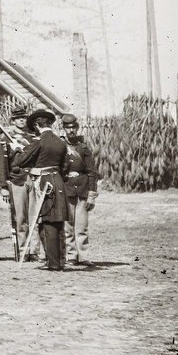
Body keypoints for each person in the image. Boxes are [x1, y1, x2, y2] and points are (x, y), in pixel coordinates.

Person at [12, 108, 69, 271]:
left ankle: (53, 263)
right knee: (58, 221)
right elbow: (65, 166)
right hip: (57, 180)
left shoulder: (39, 141)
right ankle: (59, 260)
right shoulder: (60, 142)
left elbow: (20, 162)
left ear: (37, 125)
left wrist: (17, 149)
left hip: (45, 183)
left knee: (48, 221)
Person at [0, 106, 41, 260]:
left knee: (35, 216)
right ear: (13, 120)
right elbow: (2, 163)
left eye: (23, 118)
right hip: (17, 179)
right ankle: (23, 250)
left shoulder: (34, 135)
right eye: (17, 118)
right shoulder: (7, 138)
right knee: (20, 218)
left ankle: (34, 250)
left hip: (34, 178)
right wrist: (3, 186)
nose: (21, 120)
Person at [61, 113, 100, 268]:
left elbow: (92, 172)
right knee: (67, 226)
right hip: (66, 189)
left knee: (82, 226)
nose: (71, 131)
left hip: (82, 191)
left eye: (73, 128)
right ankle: (71, 256)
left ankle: (83, 256)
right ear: (63, 129)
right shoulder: (60, 147)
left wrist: (91, 194)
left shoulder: (83, 149)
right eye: (68, 128)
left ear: (77, 128)